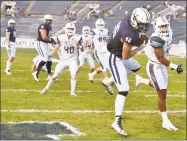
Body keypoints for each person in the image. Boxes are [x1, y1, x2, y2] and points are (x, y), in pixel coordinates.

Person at [106, 8, 151, 136]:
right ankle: (117, 121)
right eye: (142, 24)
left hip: (117, 51)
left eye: (145, 24)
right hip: (115, 57)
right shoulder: (129, 33)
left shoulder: (130, 16)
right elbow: (125, 56)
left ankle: (110, 80)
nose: (144, 27)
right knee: (124, 89)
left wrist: (138, 40)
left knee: (136, 67)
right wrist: (139, 48)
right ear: (135, 21)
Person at [135, 16, 183, 131]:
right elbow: (161, 58)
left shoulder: (169, 34)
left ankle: (141, 80)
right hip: (155, 65)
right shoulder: (156, 38)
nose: (164, 28)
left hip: (161, 65)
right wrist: (175, 66)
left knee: (162, 89)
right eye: (162, 26)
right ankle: (165, 121)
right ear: (157, 27)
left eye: (166, 26)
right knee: (162, 93)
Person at [40, 22, 82, 96]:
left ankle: (72, 92)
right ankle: (46, 88)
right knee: (55, 76)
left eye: (71, 29)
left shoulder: (77, 38)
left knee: (73, 75)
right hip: (63, 60)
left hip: (73, 60)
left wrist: (81, 47)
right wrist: (50, 56)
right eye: (69, 28)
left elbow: (82, 48)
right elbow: (57, 47)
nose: (70, 30)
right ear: (66, 29)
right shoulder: (61, 37)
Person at [88, 18, 114, 95]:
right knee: (104, 66)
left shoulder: (106, 31)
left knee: (106, 65)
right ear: (96, 25)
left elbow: (109, 40)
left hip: (105, 51)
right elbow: (89, 40)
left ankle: (91, 74)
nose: (100, 26)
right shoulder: (93, 31)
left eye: (101, 25)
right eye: (99, 25)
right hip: (98, 51)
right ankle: (106, 79)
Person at [32, 14, 54, 82]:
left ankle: (50, 75)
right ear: (45, 20)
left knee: (49, 58)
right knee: (45, 58)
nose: (48, 22)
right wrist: (51, 40)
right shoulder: (43, 26)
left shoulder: (50, 26)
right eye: (47, 20)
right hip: (40, 43)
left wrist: (51, 40)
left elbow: (47, 37)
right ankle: (36, 73)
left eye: (50, 20)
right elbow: (44, 37)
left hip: (45, 43)